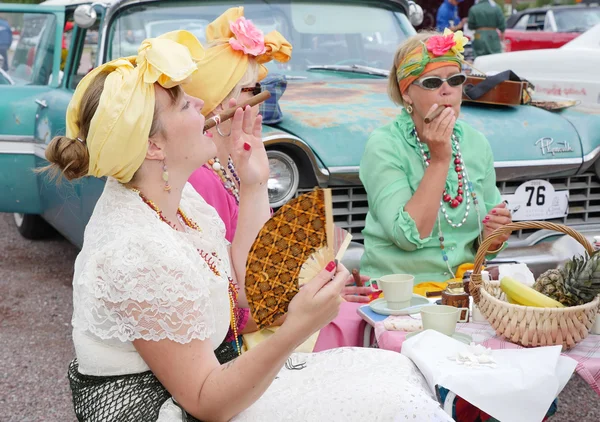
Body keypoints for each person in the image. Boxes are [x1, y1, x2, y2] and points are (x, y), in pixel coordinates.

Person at [46, 29, 453, 421]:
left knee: (395, 372)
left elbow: (244, 293)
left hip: (216, 389)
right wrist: (298, 327)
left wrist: (255, 181)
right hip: (176, 410)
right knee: (391, 402)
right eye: (184, 104)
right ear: (153, 147)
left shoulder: (176, 202)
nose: (201, 105)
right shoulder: (136, 252)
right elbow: (207, 402)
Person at [187, 8, 374, 353]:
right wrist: (307, 300)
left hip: (272, 312)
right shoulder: (201, 182)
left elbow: (265, 260)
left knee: (362, 315)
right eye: (254, 89)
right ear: (224, 105)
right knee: (359, 325)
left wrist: (318, 282)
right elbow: (230, 307)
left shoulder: (230, 167)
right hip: (245, 339)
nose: (265, 97)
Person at [359, 30, 513, 284]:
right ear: (406, 93)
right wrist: (440, 159)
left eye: (455, 79)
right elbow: (408, 237)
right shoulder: (384, 144)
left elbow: (484, 244)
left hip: (462, 288)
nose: (447, 90)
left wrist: (493, 236)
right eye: (432, 82)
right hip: (398, 295)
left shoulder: (475, 142)